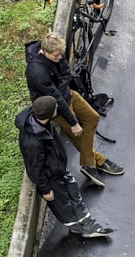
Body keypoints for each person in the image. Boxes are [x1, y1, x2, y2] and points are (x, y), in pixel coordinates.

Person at [25, 31, 125, 187]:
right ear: (45, 52)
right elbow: (55, 97)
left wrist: (60, 86)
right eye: (56, 56)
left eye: (61, 55)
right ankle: (96, 162)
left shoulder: (56, 52)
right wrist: (73, 122)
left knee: (93, 118)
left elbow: (66, 73)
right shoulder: (36, 72)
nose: (60, 58)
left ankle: (89, 162)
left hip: (67, 94)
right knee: (77, 134)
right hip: (54, 106)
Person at [16, 96, 114, 238]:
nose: (58, 108)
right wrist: (45, 189)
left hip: (58, 169)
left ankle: (87, 223)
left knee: (74, 193)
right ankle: (81, 228)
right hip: (52, 177)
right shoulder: (32, 142)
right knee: (66, 205)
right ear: (49, 114)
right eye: (55, 108)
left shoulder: (40, 120)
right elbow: (34, 167)